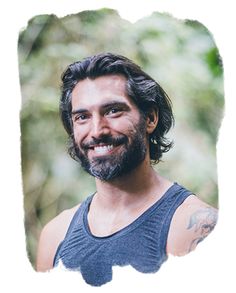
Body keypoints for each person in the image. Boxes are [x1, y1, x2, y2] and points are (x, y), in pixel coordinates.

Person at [36, 52, 218, 286]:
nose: (97, 130)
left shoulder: (193, 228)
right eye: (82, 117)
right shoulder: (55, 237)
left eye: (113, 110)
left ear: (150, 118)